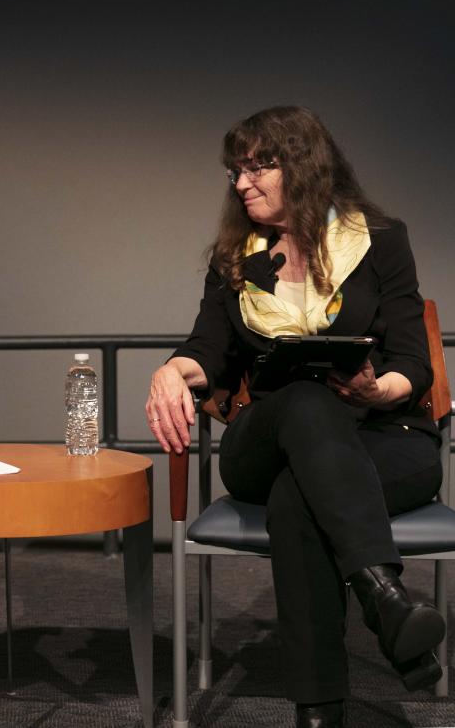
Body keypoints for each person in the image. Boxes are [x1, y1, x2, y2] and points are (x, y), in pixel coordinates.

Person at [145, 106, 445, 728]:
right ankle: (384, 597)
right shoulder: (235, 258)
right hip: (268, 440)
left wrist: (375, 390)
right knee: (307, 400)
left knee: (297, 500)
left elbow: (415, 363)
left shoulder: (381, 241)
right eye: (236, 170)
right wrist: (172, 370)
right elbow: (208, 350)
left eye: (259, 166)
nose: (241, 182)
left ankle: (318, 714)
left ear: (304, 166)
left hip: (384, 439)